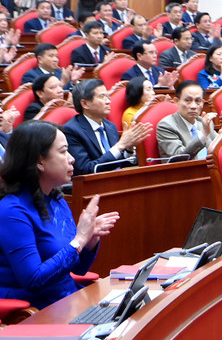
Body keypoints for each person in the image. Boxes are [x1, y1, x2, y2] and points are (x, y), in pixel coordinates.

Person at [0, 120, 119, 309]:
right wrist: (79, 240)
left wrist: (89, 239)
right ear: (39, 161)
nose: (71, 159)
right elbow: (33, 280)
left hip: (66, 299)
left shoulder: (56, 199)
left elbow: (78, 269)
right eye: (63, 152)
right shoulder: (11, 211)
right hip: (37, 310)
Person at [62, 79, 152, 175]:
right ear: (85, 103)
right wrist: (120, 146)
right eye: (102, 97)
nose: (108, 101)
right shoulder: (71, 130)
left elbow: (118, 164)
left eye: (107, 96)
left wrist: (129, 149)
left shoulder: (110, 126)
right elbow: (85, 170)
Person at [157, 81, 217, 160]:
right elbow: (179, 158)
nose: (193, 106)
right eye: (188, 100)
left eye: (197, 101)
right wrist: (203, 135)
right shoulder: (166, 126)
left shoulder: (203, 122)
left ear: (202, 103)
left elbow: (220, 147)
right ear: (176, 101)